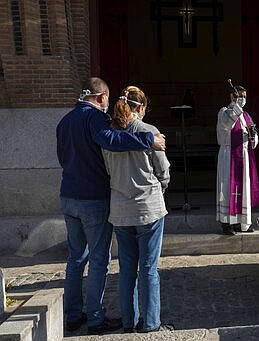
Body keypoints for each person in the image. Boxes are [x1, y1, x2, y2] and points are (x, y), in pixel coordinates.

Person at [56, 77, 166, 335]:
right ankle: (95, 318)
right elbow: (112, 141)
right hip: (94, 198)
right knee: (98, 260)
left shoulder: (64, 121)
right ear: (102, 97)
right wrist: (148, 140)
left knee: (75, 259)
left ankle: (72, 315)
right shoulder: (96, 119)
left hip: (68, 195)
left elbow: (62, 158)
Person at [102, 86, 173, 333]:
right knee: (149, 269)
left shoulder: (109, 135)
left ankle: (128, 321)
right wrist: (160, 188)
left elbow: (108, 171)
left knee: (126, 270)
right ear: (140, 108)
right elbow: (163, 170)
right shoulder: (148, 131)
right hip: (148, 207)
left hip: (121, 209)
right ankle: (151, 322)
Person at [216, 84, 259, 235]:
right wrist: (235, 106)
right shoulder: (224, 112)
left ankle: (241, 223)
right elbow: (227, 122)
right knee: (227, 188)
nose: (243, 99)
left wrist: (252, 136)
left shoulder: (247, 116)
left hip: (243, 155)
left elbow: (254, 140)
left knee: (244, 189)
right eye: (240, 96)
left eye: (245, 97)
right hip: (229, 156)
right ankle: (227, 223)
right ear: (232, 96)